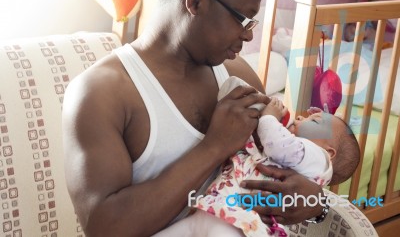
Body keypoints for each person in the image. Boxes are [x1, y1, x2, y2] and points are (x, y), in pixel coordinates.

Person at [62, 0, 328, 236]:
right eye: (243, 19)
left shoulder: (239, 75)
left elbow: (277, 168)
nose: (248, 36)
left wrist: (316, 203)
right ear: (196, 3)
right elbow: (104, 229)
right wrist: (214, 146)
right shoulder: (101, 93)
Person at [152, 76, 360, 237]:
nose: (299, 117)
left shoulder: (318, 157)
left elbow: (278, 146)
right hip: (213, 210)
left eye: (313, 122)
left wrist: (269, 116)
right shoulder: (290, 152)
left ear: (330, 151)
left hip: (239, 223)